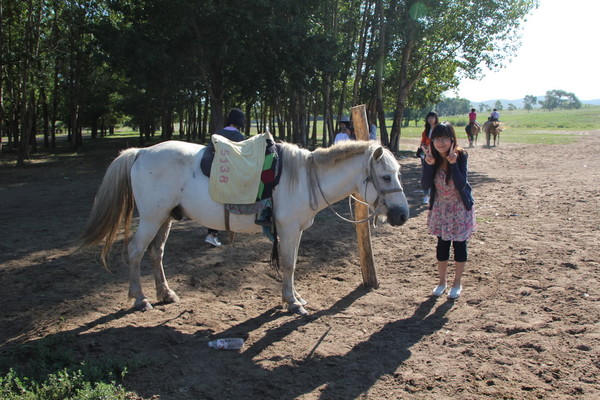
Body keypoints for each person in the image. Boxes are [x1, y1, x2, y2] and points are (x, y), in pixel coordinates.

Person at [420, 122, 475, 299]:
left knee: (459, 245)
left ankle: (456, 283)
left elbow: (461, 184)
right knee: (442, 244)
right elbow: (426, 185)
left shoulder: (461, 156)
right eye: (436, 139)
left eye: (444, 138)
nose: (440, 142)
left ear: (452, 139)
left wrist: (453, 163)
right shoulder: (430, 157)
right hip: (440, 208)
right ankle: (442, 282)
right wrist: (428, 165)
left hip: (459, 208)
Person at [205, 108, 246, 247]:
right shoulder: (239, 137)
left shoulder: (218, 134)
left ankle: (212, 233)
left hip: (215, 173)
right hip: (231, 176)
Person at [419, 111, 439, 204]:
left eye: (432, 117)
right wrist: (425, 151)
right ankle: (426, 194)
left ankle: (435, 193)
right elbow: (422, 143)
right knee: (426, 175)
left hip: (437, 154)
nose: (431, 119)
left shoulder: (439, 130)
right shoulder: (425, 131)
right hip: (426, 155)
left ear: (436, 118)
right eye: (429, 118)